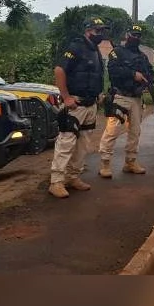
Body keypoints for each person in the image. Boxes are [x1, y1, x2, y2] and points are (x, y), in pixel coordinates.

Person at [48, 17, 109, 198]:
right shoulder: (75, 47)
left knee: (83, 144)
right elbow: (59, 70)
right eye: (98, 31)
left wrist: (99, 95)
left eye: (102, 31)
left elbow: (95, 75)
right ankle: (56, 182)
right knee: (66, 142)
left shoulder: (95, 51)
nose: (101, 34)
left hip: (90, 104)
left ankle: (73, 177)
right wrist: (66, 97)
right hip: (75, 103)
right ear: (88, 31)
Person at [98, 24, 154, 177]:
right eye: (133, 34)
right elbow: (113, 71)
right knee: (112, 131)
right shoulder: (117, 52)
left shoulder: (142, 56)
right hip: (120, 97)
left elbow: (150, 72)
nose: (135, 38)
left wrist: (148, 82)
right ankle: (105, 163)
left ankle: (130, 162)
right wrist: (133, 74)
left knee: (135, 132)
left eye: (138, 35)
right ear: (127, 35)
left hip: (136, 98)